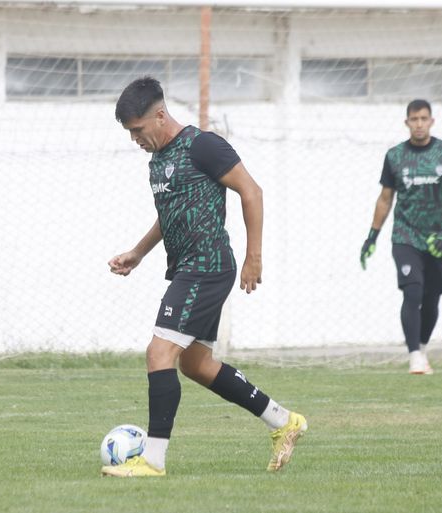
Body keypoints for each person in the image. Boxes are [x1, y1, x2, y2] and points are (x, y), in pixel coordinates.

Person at [102, 77, 307, 478]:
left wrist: (254, 257)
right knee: (196, 365)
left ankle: (153, 461)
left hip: (207, 265)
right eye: (130, 133)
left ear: (160, 115)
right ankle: (284, 421)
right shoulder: (159, 160)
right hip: (187, 267)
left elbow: (252, 191)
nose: (135, 140)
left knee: (159, 353)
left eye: (138, 130)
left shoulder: (204, 146)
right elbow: (171, 214)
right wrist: (138, 253)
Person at [360, 99, 442, 375]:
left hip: (438, 239)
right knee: (413, 291)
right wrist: (372, 236)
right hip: (405, 236)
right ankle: (414, 356)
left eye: (423, 118)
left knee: (432, 297)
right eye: (414, 119)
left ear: (431, 121)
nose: (419, 123)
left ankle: (422, 345)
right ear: (407, 122)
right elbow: (385, 199)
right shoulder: (395, 156)